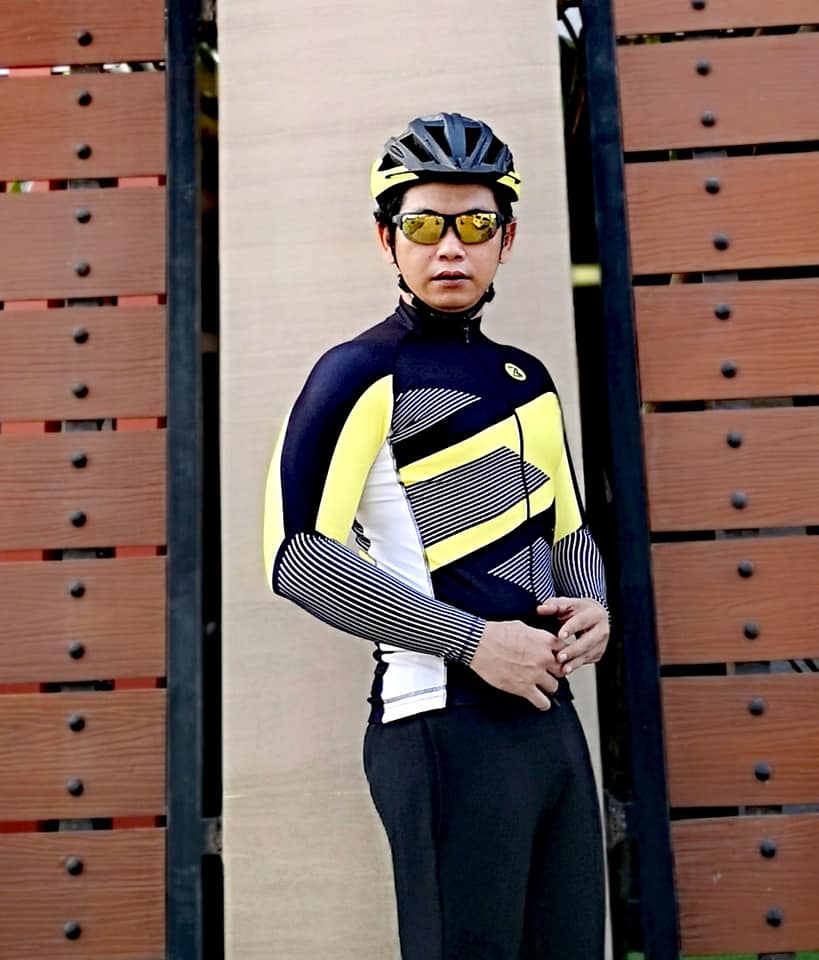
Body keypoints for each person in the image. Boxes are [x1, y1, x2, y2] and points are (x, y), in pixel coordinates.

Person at [263, 112, 609, 959]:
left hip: (549, 717)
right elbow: (296, 557)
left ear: (506, 239)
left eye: (475, 225)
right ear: (387, 240)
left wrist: (593, 604)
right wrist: (472, 641)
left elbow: (567, 528)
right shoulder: (359, 372)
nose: (449, 247)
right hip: (438, 720)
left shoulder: (528, 378)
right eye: (423, 226)